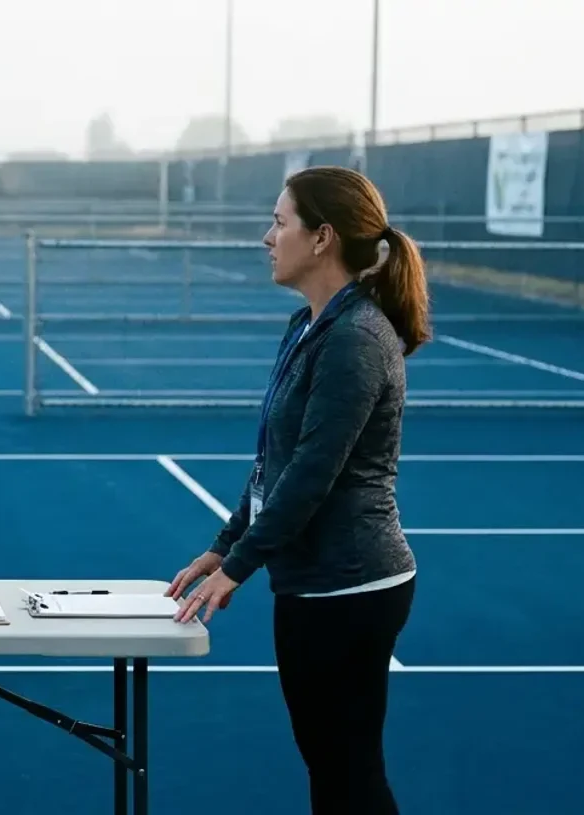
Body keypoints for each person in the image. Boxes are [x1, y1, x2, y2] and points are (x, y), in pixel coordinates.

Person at [164, 165, 429, 814]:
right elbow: (274, 461)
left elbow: (314, 469)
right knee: (333, 768)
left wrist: (243, 564)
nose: (266, 236)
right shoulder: (308, 327)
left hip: (350, 587)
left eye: (280, 222)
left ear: (322, 239)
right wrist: (228, 544)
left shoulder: (356, 338)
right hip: (315, 584)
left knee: (347, 772)